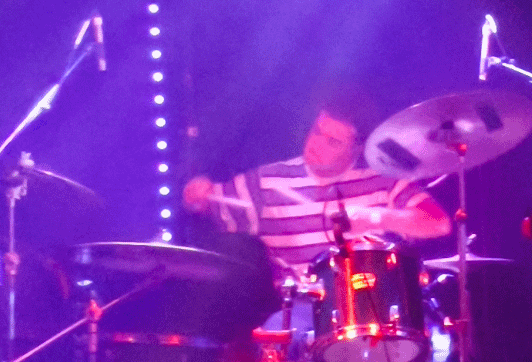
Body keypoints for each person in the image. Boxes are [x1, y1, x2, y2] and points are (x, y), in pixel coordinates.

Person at [183, 94, 452, 340]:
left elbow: (439, 223)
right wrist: (198, 196)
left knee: (426, 337)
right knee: (275, 335)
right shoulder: (268, 183)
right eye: (316, 132)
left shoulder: (382, 179)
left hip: (377, 305)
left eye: (333, 142)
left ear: (357, 149)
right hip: (306, 309)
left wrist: (377, 217)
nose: (316, 144)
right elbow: (208, 203)